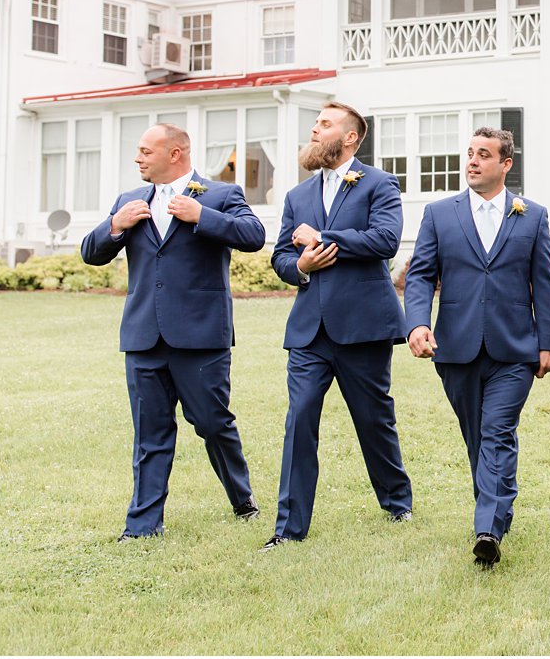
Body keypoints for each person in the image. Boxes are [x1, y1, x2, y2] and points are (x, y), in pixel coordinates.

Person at [80, 123, 266, 541]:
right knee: (151, 433)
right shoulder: (129, 201)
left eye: (146, 151)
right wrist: (114, 224)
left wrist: (202, 216)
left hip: (201, 338)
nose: (138, 158)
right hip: (144, 337)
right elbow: (91, 253)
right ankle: (142, 527)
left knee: (213, 423)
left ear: (175, 153)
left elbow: (254, 236)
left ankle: (242, 498)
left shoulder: (219, 195)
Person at [404, 127, 550, 568]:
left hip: (515, 350)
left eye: (483, 155)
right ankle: (493, 509)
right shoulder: (439, 213)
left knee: (497, 432)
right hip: (455, 348)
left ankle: (488, 527)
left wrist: (547, 341)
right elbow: (419, 276)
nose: (472, 161)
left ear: (505, 164)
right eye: (469, 154)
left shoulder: (532, 215)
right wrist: (416, 323)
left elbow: (544, 284)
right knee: (478, 439)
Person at [263, 102, 412, 550]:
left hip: (363, 325)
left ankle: (396, 499)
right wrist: (302, 265)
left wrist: (324, 239)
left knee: (372, 417)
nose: (315, 130)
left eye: (324, 125)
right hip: (310, 329)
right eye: (315, 124)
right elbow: (280, 258)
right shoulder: (297, 196)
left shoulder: (379, 184)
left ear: (350, 137)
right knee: (300, 417)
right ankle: (289, 529)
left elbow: (385, 240)